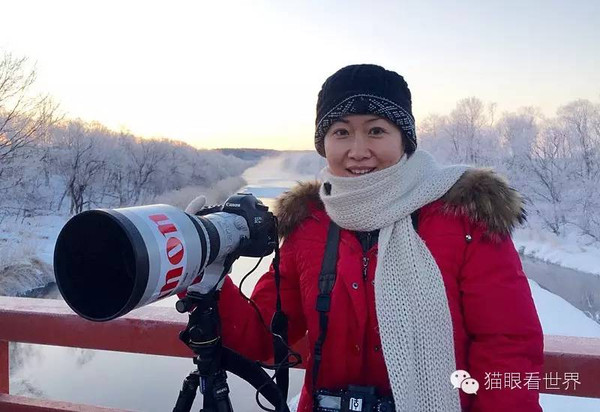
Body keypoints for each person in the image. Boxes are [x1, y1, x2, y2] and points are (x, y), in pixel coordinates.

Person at [187, 64, 544, 411]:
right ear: (324, 143)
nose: (358, 150)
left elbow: (508, 346)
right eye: (341, 132)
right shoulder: (309, 224)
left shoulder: (465, 217)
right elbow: (266, 338)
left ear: (404, 139)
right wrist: (208, 279)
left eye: (376, 131)